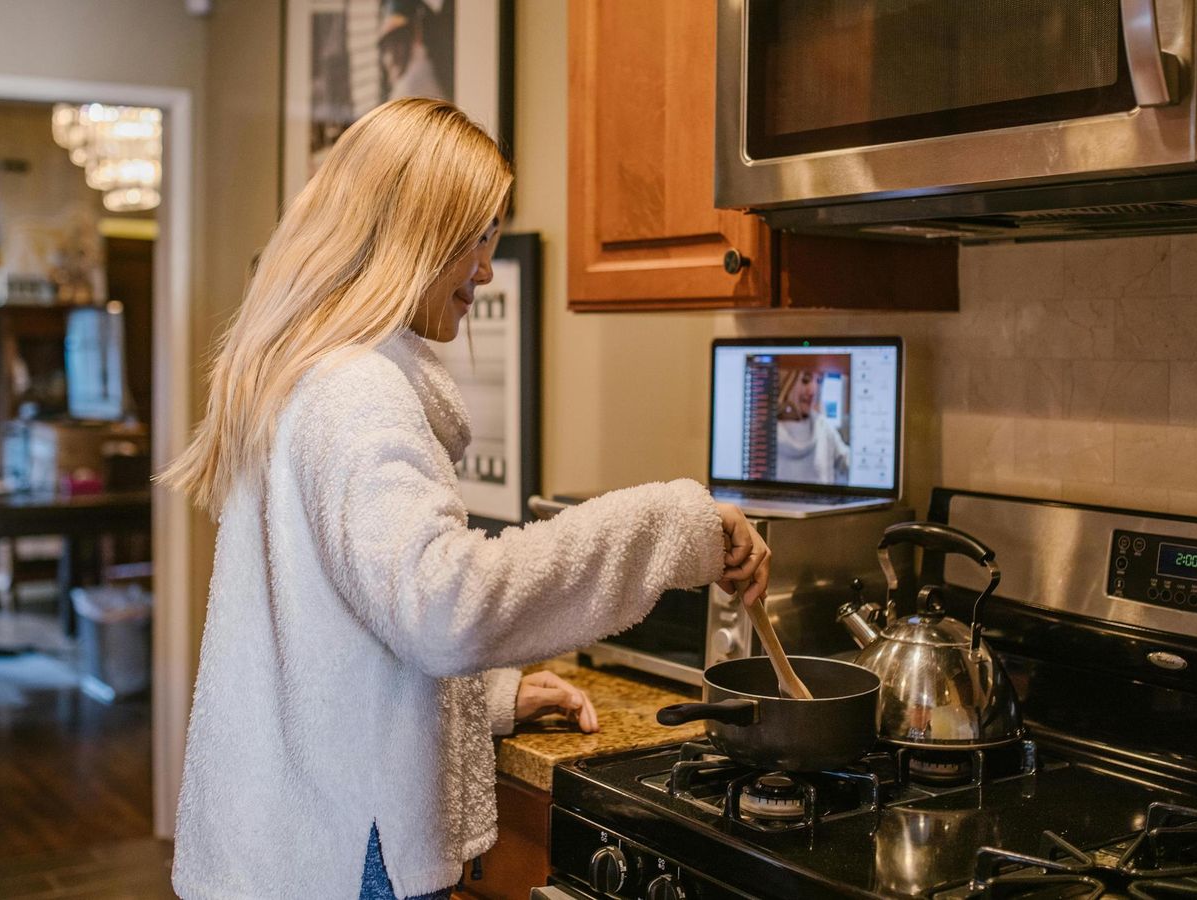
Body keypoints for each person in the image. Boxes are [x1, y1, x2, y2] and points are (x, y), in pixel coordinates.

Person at [161, 98, 770, 900]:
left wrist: (489, 698)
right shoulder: (356, 392)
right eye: (478, 239)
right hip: (353, 859)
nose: (485, 268)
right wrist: (674, 525)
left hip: (292, 844)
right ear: (416, 235)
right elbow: (447, 605)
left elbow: (347, 631)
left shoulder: (302, 374)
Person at [775, 368, 850, 484]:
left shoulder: (822, 426)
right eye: (805, 380)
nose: (813, 391)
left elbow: (848, 462)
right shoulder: (764, 431)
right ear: (785, 381)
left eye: (819, 381)